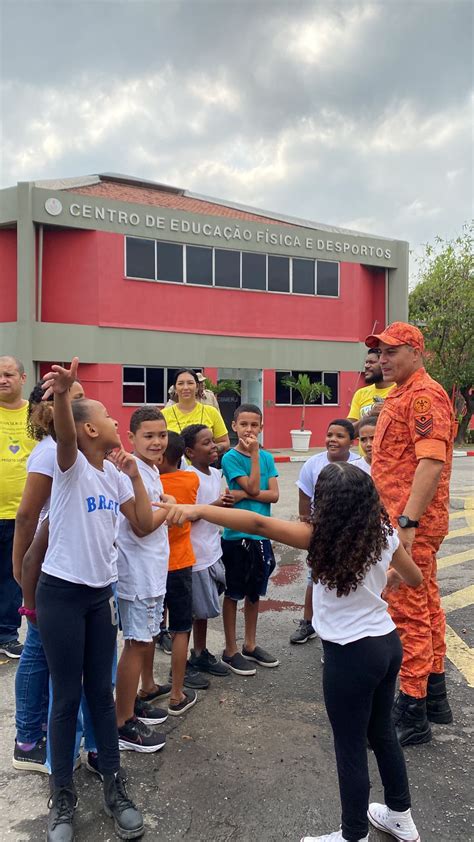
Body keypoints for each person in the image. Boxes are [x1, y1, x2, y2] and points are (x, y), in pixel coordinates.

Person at [158, 462, 424, 842]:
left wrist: (197, 509)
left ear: (326, 503)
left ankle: (353, 835)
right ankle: (400, 816)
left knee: (349, 744)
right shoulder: (384, 533)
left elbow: (259, 525)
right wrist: (389, 580)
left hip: (350, 656)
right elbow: (414, 577)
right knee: (382, 732)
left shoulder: (319, 537)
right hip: (386, 644)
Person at [36, 358, 151, 842]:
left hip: (99, 597)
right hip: (60, 594)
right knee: (65, 697)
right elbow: (64, 436)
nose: (113, 420)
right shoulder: (71, 465)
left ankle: (114, 789)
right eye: (106, 415)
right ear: (88, 428)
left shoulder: (116, 475)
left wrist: (138, 476)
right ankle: (62, 798)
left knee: (100, 697)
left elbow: (143, 523)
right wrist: (63, 393)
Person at [367, 321, 455, 747]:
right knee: (428, 604)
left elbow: (431, 462)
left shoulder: (423, 394)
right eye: (380, 352)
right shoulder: (401, 393)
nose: (383, 359)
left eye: (391, 351)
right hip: (403, 523)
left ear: (415, 352)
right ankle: (435, 695)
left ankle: (412, 709)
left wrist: (407, 525)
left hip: (408, 527)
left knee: (408, 614)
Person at [12, 378, 85, 774]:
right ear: (48, 410)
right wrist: (19, 563)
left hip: (56, 561)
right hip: (42, 565)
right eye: (72, 400)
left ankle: (36, 730)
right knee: (38, 647)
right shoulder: (47, 454)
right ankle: (27, 738)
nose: (80, 404)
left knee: (44, 647)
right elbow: (27, 516)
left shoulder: (66, 450)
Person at [115, 406, 171, 753]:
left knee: (146, 638)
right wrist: (172, 507)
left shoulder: (150, 469)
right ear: (131, 438)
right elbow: (142, 524)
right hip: (136, 573)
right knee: (135, 643)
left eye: (162, 435)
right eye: (148, 436)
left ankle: (132, 702)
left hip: (152, 570)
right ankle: (122, 723)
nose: (156, 442)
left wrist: (164, 504)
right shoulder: (127, 474)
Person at [220, 403, 279, 675]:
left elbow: (273, 495)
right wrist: (254, 456)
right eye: (244, 424)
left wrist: (244, 496)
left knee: (255, 592)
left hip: (261, 533)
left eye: (254, 425)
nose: (249, 430)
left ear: (262, 427)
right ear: (234, 426)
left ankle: (250, 644)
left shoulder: (267, 457)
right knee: (234, 592)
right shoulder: (230, 458)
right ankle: (230, 650)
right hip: (236, 536)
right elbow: (257, 487)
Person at [290, 419, 358, 645]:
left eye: (340, 436)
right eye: (330, 435)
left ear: (351, 441)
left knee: (349, 579)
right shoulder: (313, 463)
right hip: (321, 533)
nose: (333, 440)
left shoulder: (361, 465)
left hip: (352, 533)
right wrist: (306, 523)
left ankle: (345, 629)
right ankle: (308, 623)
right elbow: (304, 495)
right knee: (315, 578)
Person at [159, 432, 202, 715]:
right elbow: (196, 512)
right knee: (181, 628)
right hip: (181, 562)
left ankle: (147, 684)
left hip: (153, 565)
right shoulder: (191, 479)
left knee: (151, 628)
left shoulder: (150, 482)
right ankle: (176, 693)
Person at [182, 424, 230, 677]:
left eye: (213, 441)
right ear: (190, 451)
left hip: (213, 551)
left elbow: (214, 512)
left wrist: (224, 505)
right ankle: (184, 661)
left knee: (203, 612)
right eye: (206, 443)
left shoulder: (214, 474)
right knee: (190, 612)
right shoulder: (189, 477)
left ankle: (199, 652)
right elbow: (187, 516)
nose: (213, 446)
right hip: (196, 556)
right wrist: (216, 505)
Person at [0, 355, 37, 658]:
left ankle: (7, 633)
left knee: (13, 576)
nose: (3, 379)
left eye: (9, 374)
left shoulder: (36, 415)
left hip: (24, 513)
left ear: (23, 379)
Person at [162, 369, 230, 457]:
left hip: (204, 469)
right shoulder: (163, 415)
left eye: (190, 383)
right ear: (175, 388)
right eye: (180, 383)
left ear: (197, 386)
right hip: (174, 469)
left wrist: (210, 449)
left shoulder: (211, 412)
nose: (185, 387)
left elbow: (225, 442)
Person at [347, 350, 395, 450]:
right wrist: (369, 416)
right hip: (364, 462)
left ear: (384, 364)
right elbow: (348, 432)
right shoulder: (360, 394)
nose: (366, 366)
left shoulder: (400, 391)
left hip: (391, 460)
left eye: (372, 362)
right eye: (366, 362)